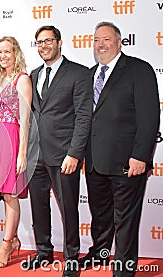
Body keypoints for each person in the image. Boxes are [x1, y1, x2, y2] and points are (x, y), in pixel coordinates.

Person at [80, 22, 160, 277]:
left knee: (125, 220)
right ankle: (100, 253)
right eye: (96, 40)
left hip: (128, 162)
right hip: (94, 162)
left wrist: (141, 156)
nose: (100, 44)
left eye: (106, 39)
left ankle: (124, 268)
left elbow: (150, 117)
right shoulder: (90, 74)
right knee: (100, 214)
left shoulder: (139, 69)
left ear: (119, 42)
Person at [23, 25, 93, 277]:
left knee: (68, 207)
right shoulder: (32, 74)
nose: (43, 46)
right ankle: (44, 252)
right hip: (36, 155)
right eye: (39, 42)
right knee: (39, 206)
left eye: (48, 41)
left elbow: (84, 116)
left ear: (60, 42)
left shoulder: (78, 73)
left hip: (64, 154)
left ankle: (72, 256)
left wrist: (75, 153)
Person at [0, 36, 32, 268]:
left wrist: (22, 153)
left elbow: (25, 120)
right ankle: (13, 240)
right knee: (6, 194)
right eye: (0, 51)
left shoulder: (22, 80)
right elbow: (3, 109)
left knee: (11, 195)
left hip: (13, 140)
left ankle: (5, 246)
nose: (3, 56)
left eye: (7, 52)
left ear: (16, 53)